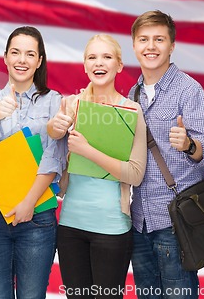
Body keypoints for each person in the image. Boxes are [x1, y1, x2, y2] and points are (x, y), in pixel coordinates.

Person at [47, 34, 147, 299]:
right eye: (92, 57)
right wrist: (55, 128)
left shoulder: (132, 111)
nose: (98, 63)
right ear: (84, 65)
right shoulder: (70, 104)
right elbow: (52, 141)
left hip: (112, 229)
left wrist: (88, 151)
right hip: (70, 226)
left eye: (106, 57)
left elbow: (135, 175)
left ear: (119, 65)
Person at [128, 10, 204, 299]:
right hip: (140, 222)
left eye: (159, 39)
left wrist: (190, 144)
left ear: (172, 46)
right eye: (144, 39)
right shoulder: (132, 94)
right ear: (134, 45)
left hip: (174, 223)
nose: (150, 46)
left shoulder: (189, 90)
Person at [0, 26, 64, 299]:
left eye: (30, 54)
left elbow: (55, 156)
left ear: (39, 61)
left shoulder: (54, 102)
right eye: (15, 52)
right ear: (5, 57)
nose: (22, 60)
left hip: (37, 217)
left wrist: (29, 203)